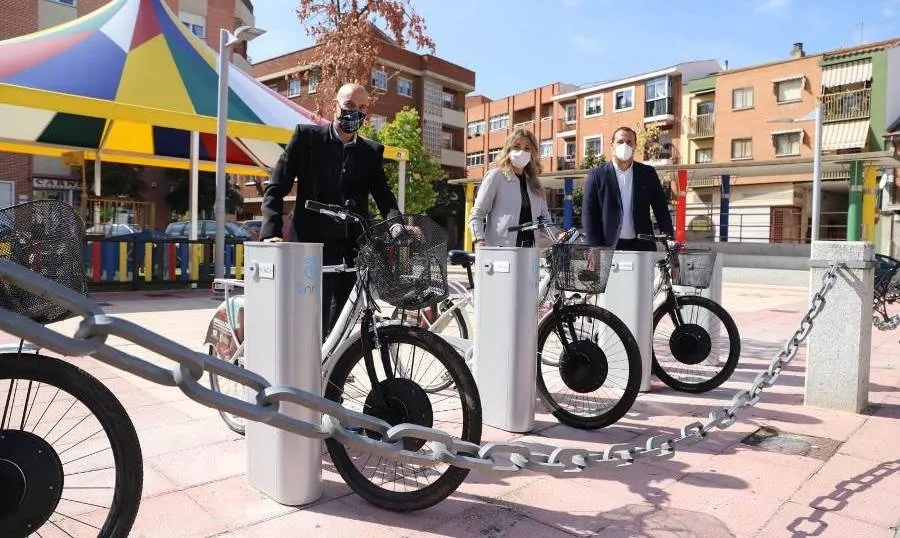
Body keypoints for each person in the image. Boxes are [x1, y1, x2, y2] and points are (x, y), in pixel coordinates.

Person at [259, 82, 401, 336]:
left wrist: (397, 225)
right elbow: (277, 186)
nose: (354, 112)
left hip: (350, 246)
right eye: (349, 105)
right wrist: (271, 230)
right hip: (310, 243)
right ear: (335, 106)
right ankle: (306, 368)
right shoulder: (307, 138)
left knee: (342, 320)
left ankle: (333, 372)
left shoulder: (371, 151)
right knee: (309, 316)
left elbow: (383, 195)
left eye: (362, 108)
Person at [581, 126, 674, 251]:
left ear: (635, 146)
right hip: (608, 246)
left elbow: (661, 209)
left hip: (642, 245)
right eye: (620, 142)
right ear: (612, 145)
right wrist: (593, 247)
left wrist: (669, 239)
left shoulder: (648, 173)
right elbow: (589, 213)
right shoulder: (597, 175)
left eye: (629, 142)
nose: (625, 145)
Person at [468, 128, 553, 248]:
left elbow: (545, 220)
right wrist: (479, 240)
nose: (521, 151)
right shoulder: (496, 177)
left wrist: (559, 234)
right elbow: (476, 214)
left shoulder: (535, 184)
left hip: (530, 253)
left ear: (532, 153)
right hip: (501, 252)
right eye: (517, 146)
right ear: (508, 150)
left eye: (527, 148)